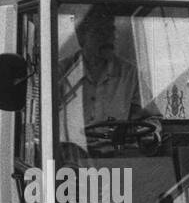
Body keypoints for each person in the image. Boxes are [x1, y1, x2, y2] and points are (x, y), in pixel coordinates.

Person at [59, 7, 143, 137]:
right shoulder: (60, 72)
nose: (108, 38)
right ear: (81, 35)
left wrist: (149, 133)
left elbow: (149, 119)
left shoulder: (129, 74)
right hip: (72, 153)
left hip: (116, 154)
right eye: (99, 32)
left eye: (111, 30)